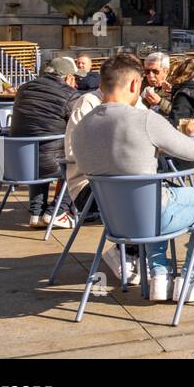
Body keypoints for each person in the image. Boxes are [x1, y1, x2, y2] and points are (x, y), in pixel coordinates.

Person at [70, 53, 194, 303]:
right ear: (135, 84)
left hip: (114, 220)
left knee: (153, 195)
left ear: (101, 84)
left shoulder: (81, 127)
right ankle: (190, 278)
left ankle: (160, 278)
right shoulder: (145, 119)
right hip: (151, 216)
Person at [64, 53, 135, 282]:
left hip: (127, 182)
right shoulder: (88, 103)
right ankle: (126, 252)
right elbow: (74, 153)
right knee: (139, 196)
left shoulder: (136, 103)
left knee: (161, 193)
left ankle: (144, 257)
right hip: (90, 185)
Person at [9, 57, 79, 229]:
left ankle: (36, 213)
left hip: (18, 161)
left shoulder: (23, 89)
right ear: (68, 77)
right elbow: (79, 126)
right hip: (50, 163)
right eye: (75, 78)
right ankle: (58, 211)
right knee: (79, 162)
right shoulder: (69, 94)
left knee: (39, 154)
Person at [140, 51, 173, 118]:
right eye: (147, 71)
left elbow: (180, 114)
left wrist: (160, 102)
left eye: (155, 71)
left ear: (166, 71)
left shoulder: (176, 87)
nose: (150, 76)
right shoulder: (141, 84)